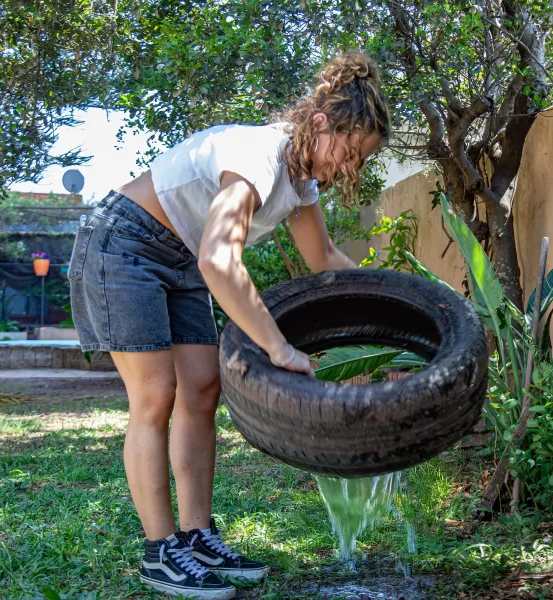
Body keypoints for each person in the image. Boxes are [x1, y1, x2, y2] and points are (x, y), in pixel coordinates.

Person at [68, 51, 390, 600]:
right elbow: (220, 260)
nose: (346, 167)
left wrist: (396, 297)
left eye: (357, 159)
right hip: (124, 244)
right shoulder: (258, 155)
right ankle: (159, 552)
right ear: (319, 123)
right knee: (156, 396)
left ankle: (196, 536)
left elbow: (325, 259)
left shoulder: (299, 181)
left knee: (201, 389)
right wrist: (279, 347)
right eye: (348, 150)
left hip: (180, 255)